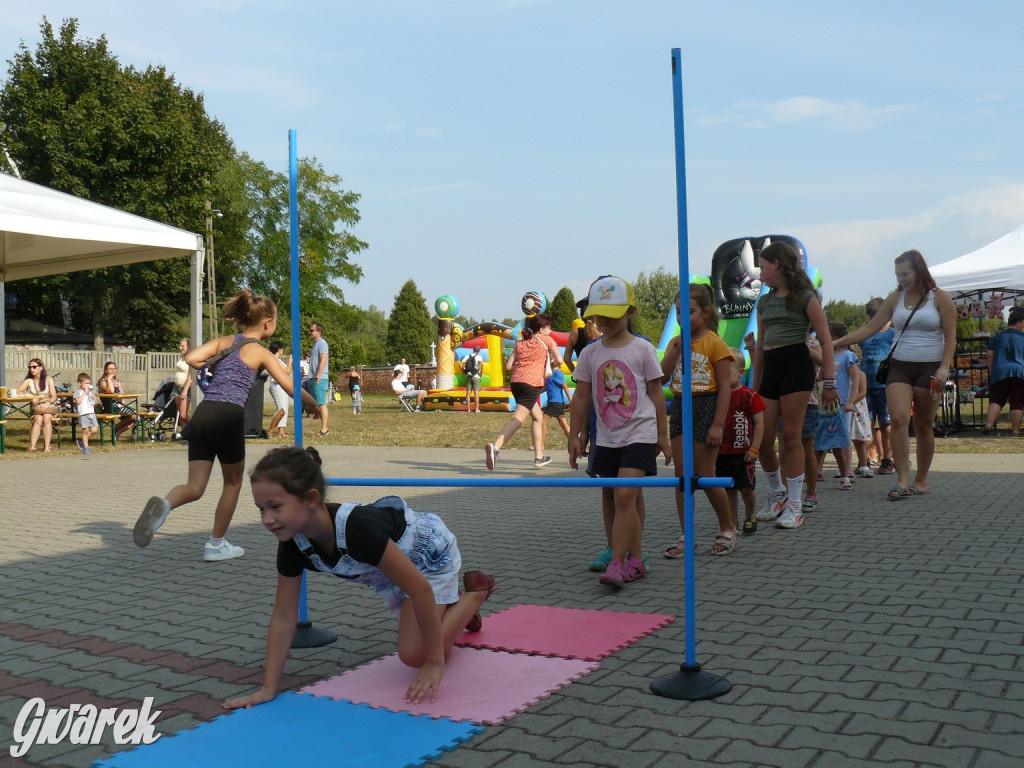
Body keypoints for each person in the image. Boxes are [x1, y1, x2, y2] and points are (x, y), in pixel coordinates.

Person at [223, 445, 496, 710]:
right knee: (430, 643)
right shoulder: (294, 543)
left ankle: (474, 595)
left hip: (429, 558)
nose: (267, 519)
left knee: (417, 655)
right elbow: (284, 615)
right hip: (399, 576)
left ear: (311, 499)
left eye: (275, 507)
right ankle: (451, 607)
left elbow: (420, 590)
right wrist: (268, 688)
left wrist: (434, 664)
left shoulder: (357, 529)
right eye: (261, 509)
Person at [133, 289, 317, 562]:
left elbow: (191, 358)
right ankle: (216, 544)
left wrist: (215, 365)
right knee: (232, 482)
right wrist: (312, 403)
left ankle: (165, 504)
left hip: (203, 414)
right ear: (267, 322)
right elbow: (290, 387)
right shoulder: (262, 353)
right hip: (228, 416)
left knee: (195, 486)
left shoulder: (225, 341)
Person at [569, 276, 670, 587]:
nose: (604, 322)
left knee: (626, 494)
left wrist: (662, 436)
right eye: (599, 316)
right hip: (608, 435)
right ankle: (636, 560)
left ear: (630, 312)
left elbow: (656, 393)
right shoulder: (589, 353)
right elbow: (583, 396)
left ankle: (617, 563)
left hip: (640, 432)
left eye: (612, 316)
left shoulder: (643, 349)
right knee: (617, 495)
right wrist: (575, 435)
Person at [833, 249, 956, 500]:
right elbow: (870, 327)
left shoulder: (940, 298)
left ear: (919, 270)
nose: (900, 279)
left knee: (923, 424)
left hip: (931, 368)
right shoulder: (894, 298)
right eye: (897, 275)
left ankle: (921, 479)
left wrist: (945, 367)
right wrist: (836, 343)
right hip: (899, 366)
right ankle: (901, 479)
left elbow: (951, 336)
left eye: (905, 273)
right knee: (899, 419)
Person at [751, 241, 838, 529]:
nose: (761, 272)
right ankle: (777, 493)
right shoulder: (763, 301)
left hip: (796, 365)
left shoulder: (804, 296)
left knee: (791, 437)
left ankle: (796, 505)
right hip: (771, 367)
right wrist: (753, 387)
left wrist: (829, 382)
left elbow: (825, 341)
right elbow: (761, 347)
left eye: (763, 266)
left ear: (777, 264)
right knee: (762, 438)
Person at [660, 286, 737, 556]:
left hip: (708, 405)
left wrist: (717, 424)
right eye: (678, 312)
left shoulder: (715, 343)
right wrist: (674, 350)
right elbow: (661, 377)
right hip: (682, 405)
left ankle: (728, 527)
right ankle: (686, 533)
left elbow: (725, 388)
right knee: (682, 476)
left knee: (705, 475)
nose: (682, 317)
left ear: (705, 313)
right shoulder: (676, 342)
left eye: (688, 312)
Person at [484, 314, 565, 470]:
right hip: (531, 384)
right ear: (541, 329)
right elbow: (559, 360)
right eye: (549, 327)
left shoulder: (520, 343)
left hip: (516, 383)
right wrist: (544, 366)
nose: (550, 330)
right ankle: (496, 446)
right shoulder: (547, 340)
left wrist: (524, 367)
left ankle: (539, 457)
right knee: (517, 418)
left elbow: (508, 366)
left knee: (537, 416)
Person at [718, 351, 766, 535]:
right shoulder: (717, 396)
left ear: (740, 372)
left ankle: (750, 513)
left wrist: (755, 447)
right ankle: (732, 521)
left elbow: (759, 423)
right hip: (722, 453)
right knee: (728, 489)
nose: (722, 378)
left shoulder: (749, 395)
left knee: (746, 488)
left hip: (744, 452)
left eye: (726, 373)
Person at [858, 298, 896, 473]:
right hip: (866, 388)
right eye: (870, 317)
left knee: (886, 424)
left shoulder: (891, 334)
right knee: (867, 423)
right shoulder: (864, 334)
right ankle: (864, 460)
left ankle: (887, 458)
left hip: (885, 387)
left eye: (874, 317)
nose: (871, 320)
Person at [984, 307, 1024, 435]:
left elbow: (989, 355)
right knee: (1017, 401)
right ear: (1018, 323)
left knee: (996, 400)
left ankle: (989, 425)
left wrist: (992, 371)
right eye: (1022, 323)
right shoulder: (1022, 337)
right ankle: (1016, 429)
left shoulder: (997, 337)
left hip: (999, 371)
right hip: (1019, 372)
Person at [17, 358, 58, 452]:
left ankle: (47, 447)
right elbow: (19, 391)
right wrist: (31, 397)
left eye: (34, 367)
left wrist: (48, 403)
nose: (32, 369)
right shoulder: (29, 381)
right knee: (38, 419)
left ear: (41, 368)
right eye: (30, 367)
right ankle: (32, 447)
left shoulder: (48, 379)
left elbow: (54, 396)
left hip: (49, 406)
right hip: (37, 408)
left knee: (47, 417)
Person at [98, 361, 138, 440]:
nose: (113, 370)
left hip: (118, 405)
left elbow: (121, 393)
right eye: (110, 369)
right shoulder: (102, 382)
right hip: (110, 406)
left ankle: (117, 432)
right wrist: (109, 378)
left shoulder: (117, 380)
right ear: (105, 370)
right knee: (133, 415)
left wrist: (123, 400)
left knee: (137, 417)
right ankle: (114, 430)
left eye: (114, 368)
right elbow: (111, 391)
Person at [541, 367, 571, 451]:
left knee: (542, 422)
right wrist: (536, 393)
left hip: (555, 402)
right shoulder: (549, 373)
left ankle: (541, 445)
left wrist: (571, 400)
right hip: (554, 402)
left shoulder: (558, 373)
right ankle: (573, 441)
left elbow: (565, 387)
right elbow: (546, 387)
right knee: (563, 423)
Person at [309, 323, 331, 437]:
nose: (310, 332)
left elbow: (323, 360)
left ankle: (325, 429)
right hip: (314, 377)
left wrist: (318, 374)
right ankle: (323, 427)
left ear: (319, 331)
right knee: (318, 403)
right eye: (310, 330)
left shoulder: (322, 343)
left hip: (320, 378)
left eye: (312, 330)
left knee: (322, 404)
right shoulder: (315, 344)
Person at [267, 342, 291, 439]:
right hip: (276, 387)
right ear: (278, 349)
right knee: (281, 410)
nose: (283, 350)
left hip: (281, 386)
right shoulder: (275, 360)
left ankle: (281, 431)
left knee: (284, 408)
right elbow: (287, 372)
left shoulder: (278, 360)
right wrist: (290, 362)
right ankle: (270, 431)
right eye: (282, 348)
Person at [73, 372, 99, 455]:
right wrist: (85, 393)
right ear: (80, 383)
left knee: (94, 430)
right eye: (86, 383)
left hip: (91, 412)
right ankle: (86, 447)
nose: (88, 385)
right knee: (85, 430)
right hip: (83, 413)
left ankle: (82, 441)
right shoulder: (78, 392)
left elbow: (95, 404)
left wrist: (94, 398)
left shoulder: (90, 392)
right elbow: (78, 401)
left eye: (89, 383)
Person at [173, 338, 193, 433]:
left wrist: (185, 389)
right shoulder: (182, 357)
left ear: (188, 346)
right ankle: (184, 433)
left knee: (183, 414)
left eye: (182, 346)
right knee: (179, 413)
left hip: (186, 388)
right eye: (180, 345)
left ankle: (198, 427)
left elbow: (191, 375)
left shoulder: (191, 358)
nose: (180, 347)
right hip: (177, 387)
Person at [463, 347, 482, 413]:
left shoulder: (467, 356)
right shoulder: (479, 357)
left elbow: (460, 365)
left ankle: (468, 409)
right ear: (479, 351)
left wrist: (464, 372)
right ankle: (476, 409)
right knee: (476, 392)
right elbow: (482, 364)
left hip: (468, 376)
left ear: (473, 350)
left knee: (468, 393)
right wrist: (481, 373)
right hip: (476, 376)